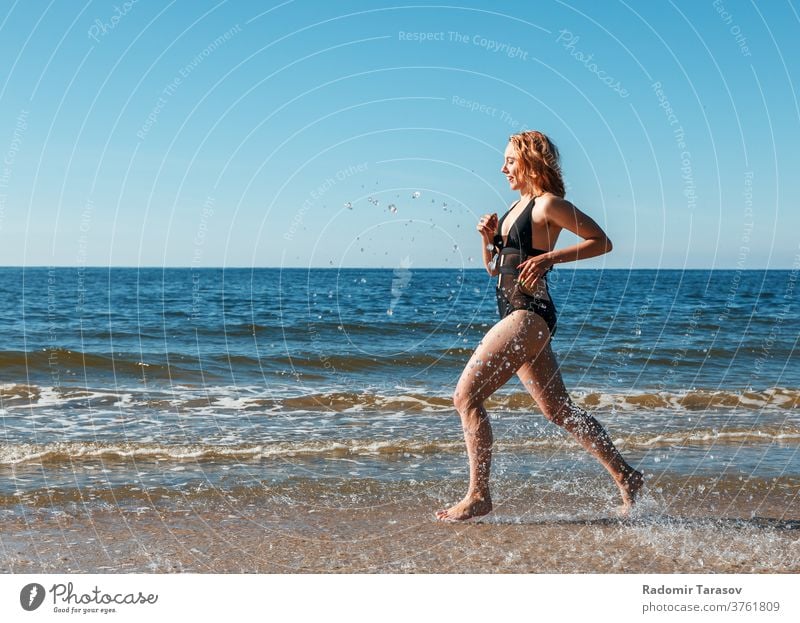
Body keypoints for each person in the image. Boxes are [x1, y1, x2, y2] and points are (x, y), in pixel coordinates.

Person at [436, 130, 643, 521]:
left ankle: (479, 495)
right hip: (520, 316)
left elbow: (602, 241)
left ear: (531, 162)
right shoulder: (513, 210)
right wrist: (487, 240)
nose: (503, 168)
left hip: (529, 315)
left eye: (510, 161)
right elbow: (496, 270)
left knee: (465, 398)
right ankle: (627, 476)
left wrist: (550, 258)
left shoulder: (549, 205)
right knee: (559, 410)